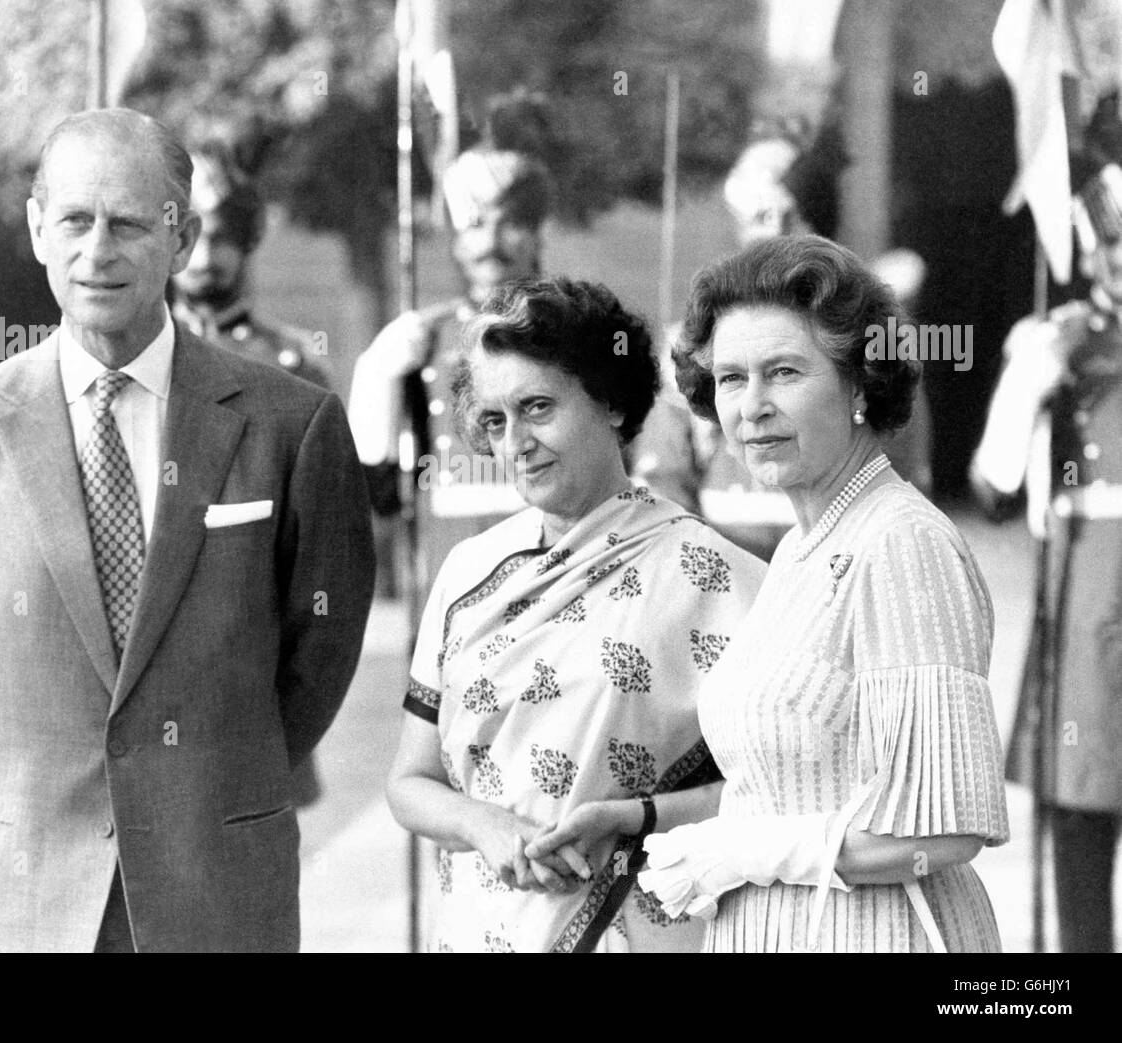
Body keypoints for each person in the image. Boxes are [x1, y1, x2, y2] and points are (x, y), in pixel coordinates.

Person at [0, 108, 375, 953]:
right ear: (37, 230)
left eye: (130, 224)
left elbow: (320, 651)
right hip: (24, 890)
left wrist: (214, 779)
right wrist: (32, 788)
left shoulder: (292, 424)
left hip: (218, 883)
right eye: (75, 220)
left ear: (182, 239)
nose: (98, 250)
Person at [639, 235, 1009, 952]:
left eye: (783, 372)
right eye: (731, 378)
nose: (752, 407)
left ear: (860, 384)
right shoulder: (800, 547)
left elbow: (945, 832)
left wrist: (743, 851)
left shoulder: (900, 542)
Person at [386, 278, 764, 952]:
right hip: (480, 931)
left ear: (612, 402)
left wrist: (635, 817)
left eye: (537, 407)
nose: (516, 443)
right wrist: (483, 825)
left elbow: (778, 795)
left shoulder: (721, 580)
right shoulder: (469, 573)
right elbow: (409, 783)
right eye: (495, 421)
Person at [632, 122, 932, 561]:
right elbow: (663, 496)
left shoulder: (873, 345)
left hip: (843, 567)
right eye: (755, 217)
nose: (771, 234)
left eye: (788, 215)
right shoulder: (694, 346)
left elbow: (902, 488)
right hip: (722, 569)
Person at [972, 153, 1122, 953]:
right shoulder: (1059, 340)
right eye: (1115, 241)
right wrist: (1026, 387)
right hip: (1091, 599)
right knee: (1082, 805)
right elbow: (994, 486)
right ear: (1092, 251)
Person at [172, 136, 329, 808]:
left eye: (225, 239)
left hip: (253, 630)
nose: (208, 257)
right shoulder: (137, 357)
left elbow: (318, 533)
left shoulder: (290, 366)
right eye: (197, 238)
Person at [348, 91, 553, 592]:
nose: (491, 243)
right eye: (475, 224)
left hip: (554, 562)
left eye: (511, 223)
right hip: (449, 565)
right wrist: (378, 379)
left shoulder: (574, 329)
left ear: (537, 232)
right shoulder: (426, 339)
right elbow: (378, 492)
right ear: (456, 239)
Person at [171, 137, 331, 390]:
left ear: (245, 241)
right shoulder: (138, 351)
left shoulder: (295, 361)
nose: (204, 259)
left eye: (221, 239)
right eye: (190, 239)